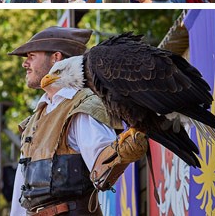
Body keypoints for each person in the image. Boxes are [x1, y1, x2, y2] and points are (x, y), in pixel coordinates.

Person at [9, 27, 147, 216]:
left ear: (56, 58)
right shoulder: (33, 120)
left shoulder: (82, 106)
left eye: (31, 56)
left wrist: (117, 154)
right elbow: (21, 194)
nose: (25, 64)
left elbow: (102, 167)